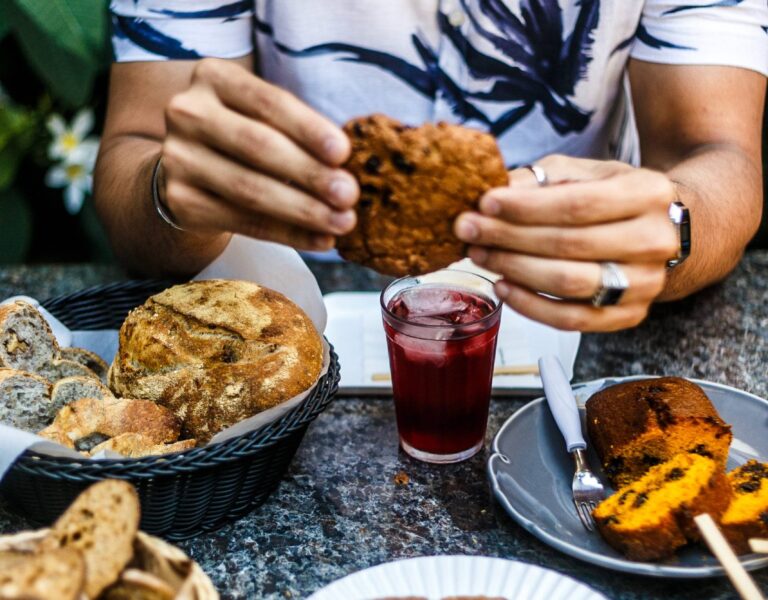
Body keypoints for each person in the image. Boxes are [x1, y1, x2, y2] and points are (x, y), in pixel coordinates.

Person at [95, 0, 768, 332]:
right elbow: (136, 152)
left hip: (573, 319)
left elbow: (716, 154)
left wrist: (671, 227)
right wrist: (171, 191)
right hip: (268, 322)